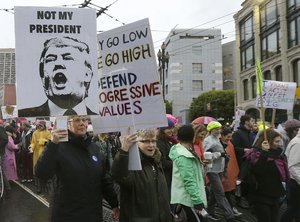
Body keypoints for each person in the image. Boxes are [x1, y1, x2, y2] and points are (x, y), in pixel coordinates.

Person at [35, 116, 119, 222]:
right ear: (67, 124)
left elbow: (103, 179)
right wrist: (53, 144)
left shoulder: (94, 148)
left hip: (93, 214)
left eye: (84, 120)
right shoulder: (58, 146)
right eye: (77, 120)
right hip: (67, 215)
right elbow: (41, 173)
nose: (81, 123)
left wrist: (114, 204)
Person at [18, 36, 97, 117]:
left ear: (87, 74)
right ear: (43, 76)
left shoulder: (102, 119)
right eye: (50, 59)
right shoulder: (24, 115)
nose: (58, 63)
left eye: (68, 58)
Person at [112, 128, 172, 222]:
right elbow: (119, 176)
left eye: (153, 141)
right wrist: (124, 150)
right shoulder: (132, 164)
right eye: (145, 141)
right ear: (136, 143)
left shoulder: (156, 161)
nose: (151, 145)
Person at [242, 129, 288, 222]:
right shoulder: (255, 154)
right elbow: (258, 172)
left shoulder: (278, 154)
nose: (279, 144)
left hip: (275, 195)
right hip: (260, 196)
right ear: (268, 141)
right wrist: (264, 153)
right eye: (276, 141)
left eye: (279, 141)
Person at [169, 124, 207, 222]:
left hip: (188, 197)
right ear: (193, 137)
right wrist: (197, 201)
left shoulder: (183, 150)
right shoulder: (184, 155)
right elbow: (188, 180)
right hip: (189, 199)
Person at [203, 121, 236, 222]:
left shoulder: (217, 138)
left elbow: (219, 152)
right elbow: (205, 156)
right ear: (211, 130)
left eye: (219, 129)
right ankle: (230, 215)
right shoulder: (208, 140)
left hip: (219, 169)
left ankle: (210, 212)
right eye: (216, 129)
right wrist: (219, 154)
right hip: (212, 170)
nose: (218, 131)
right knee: (220, 193)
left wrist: (224, 154)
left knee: (214, 192)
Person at [220, 127, 242, 217]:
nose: (229, 138)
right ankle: (229, 210)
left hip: (229, 171)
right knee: (226, 192)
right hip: (223, 172)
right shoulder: (219, 144)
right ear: (222, 136)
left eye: (230, 136)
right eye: (228, 136)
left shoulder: (229, 143)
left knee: (228, 191)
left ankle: (230, 209)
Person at [281, 127, 300, 222]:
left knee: (295, 209)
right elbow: (292, 166)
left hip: (296, 180)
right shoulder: (297, 143)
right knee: (293, 208)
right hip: (296, 181)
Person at [156, 117, 176, 198]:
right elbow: (162, 162)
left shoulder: (169, 141)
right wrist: (177, 163)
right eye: (168, 128)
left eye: (172, 128)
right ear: (162, 129)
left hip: (171, 176)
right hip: (165, 177)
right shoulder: (160, 142)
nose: (171, 130)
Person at [30, 120, 51, 193]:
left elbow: (49, 141)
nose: (39, 127)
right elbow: (32, 142)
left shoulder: (48, 133)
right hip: (36, 154)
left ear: (44, 126)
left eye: (41, 125)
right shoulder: (35, 133)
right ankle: (39, 188)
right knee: (37, 171)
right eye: (38, 125)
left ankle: (46, 187)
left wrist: (42, 141)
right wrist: (31, 147)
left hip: (45, 154)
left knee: (45, 171)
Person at [3, 125, 19, 192]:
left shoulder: (3, 135)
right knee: (9, 168)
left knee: (5, 168)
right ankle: (7, 181)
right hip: (9, 155)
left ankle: (4, 181)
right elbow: (11, 146)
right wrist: (17, 146)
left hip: (4, 154)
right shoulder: (9, 137)